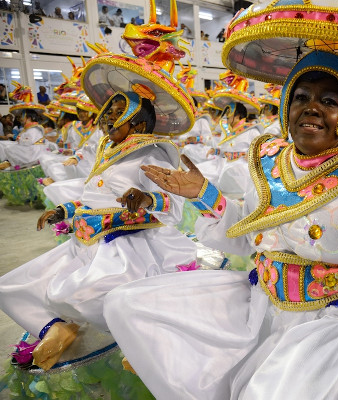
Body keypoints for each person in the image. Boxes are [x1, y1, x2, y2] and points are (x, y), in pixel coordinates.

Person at [103, 49, 338, 400]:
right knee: (127, 304)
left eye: (329, 101)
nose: (312, 108)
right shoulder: (270, 163)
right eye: (301, 97)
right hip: (262, 303)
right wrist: (204, 194)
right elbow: (250, 238)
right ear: (286, 106)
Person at [0, 90, 198, 371]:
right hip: (85, 244)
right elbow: (93, 196)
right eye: (108, 112)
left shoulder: (154, 153)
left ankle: (143, 339)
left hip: (128, 247)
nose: (108, 119)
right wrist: (64, 210)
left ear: (138, 124)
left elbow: (174, 204)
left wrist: (147, 199)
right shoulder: (107, 148)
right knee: (11, 287)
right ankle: (54, 328)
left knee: (85, 295)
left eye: (118, 114)